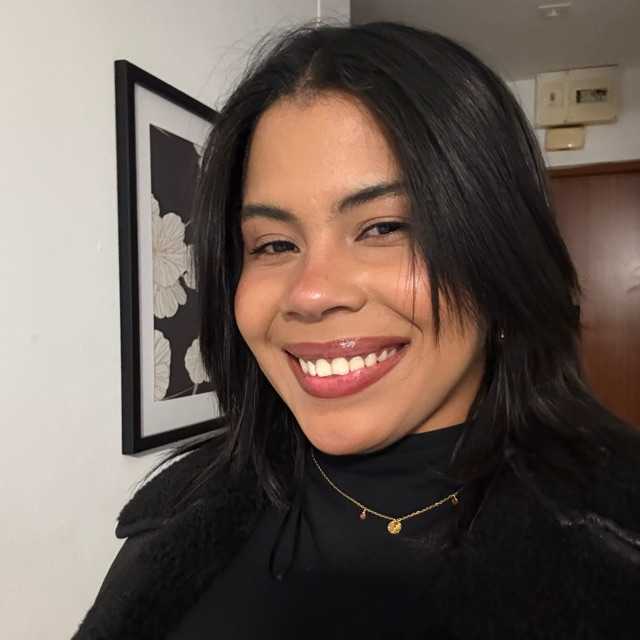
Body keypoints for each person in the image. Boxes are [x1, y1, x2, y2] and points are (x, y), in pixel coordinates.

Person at [74, 20, 640, 640]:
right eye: (274, 244)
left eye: (384, 228)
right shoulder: (178, 515)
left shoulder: (616, 543)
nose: (311, 294)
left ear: (502, 254)